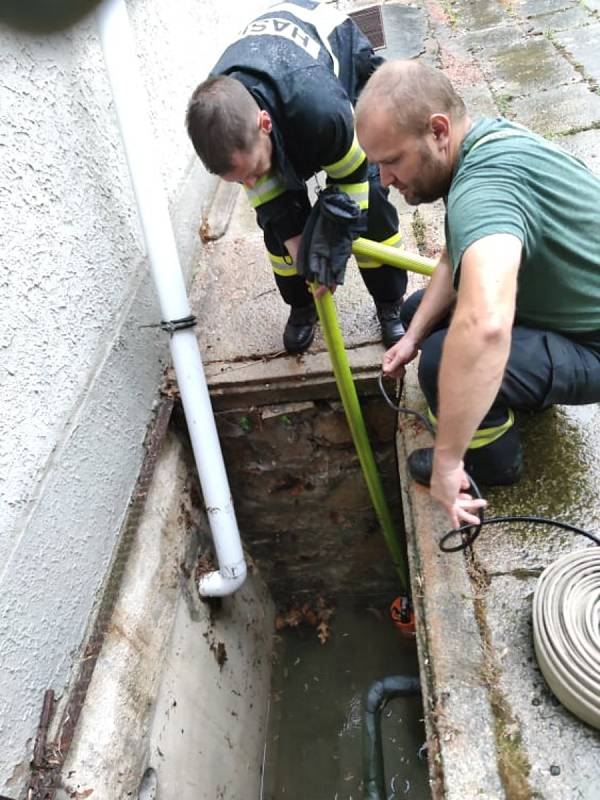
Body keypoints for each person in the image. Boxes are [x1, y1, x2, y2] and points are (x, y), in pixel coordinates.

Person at [355, 59, 600, 527]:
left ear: (438, 131)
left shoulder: (484, 187)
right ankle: (512, 391)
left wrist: (446, 464)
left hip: (593, 343)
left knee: (444, 359)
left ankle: (492, 464)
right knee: (414, 316)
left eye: (391, 160)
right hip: (573, 303)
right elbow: (456, 252)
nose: (384, 179)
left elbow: (486, 326)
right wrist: (411, 337)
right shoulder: (485, 139)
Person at [186, 0, 407, 354]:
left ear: (265, 125)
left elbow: (351, 182)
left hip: (334, 56)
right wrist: (297, 243)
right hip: (277, 79)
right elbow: (267, 195)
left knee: (372, 202)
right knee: (276, 222)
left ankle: (389, 301)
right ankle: (302, 307)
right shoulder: (219, 117)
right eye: (239, 181)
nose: (251, 186)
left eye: (252, 173)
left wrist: (334, 248)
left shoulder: (322, 112)